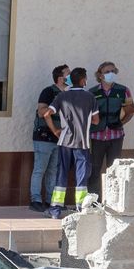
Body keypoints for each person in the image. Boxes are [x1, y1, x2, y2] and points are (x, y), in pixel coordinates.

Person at [41, 67, 99, 219]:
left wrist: (55, 130)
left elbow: (47, 114)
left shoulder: (62, 96)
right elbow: (96, 120)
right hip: (83, 143)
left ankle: (55, 210)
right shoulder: (90, 97)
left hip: (64, 141)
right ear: (83, 80)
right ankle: (81, 207)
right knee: (82, 176)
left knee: (62, 174)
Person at [88, 61, 132, 196]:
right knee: (94, 170)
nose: (111, 74)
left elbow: (130, 110)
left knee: (114, 170)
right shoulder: (92, 92)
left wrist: (121, 122)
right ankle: (94, 201)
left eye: (113, 71)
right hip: (97, 137)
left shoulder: (123, 90)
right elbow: (87, 114)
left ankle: (112, 199)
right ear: (100, 75)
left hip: (116, 136)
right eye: (107, 72)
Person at [30, 64, 70, 213]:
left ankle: (51, 200)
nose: (71, 77)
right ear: (61, 78)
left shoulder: (69, 93)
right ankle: (35, 200)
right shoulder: (48, 92)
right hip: (44, 136)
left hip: (60, 138)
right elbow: (41, 112)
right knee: (40, 169)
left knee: (53, 170)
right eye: (68, 74)